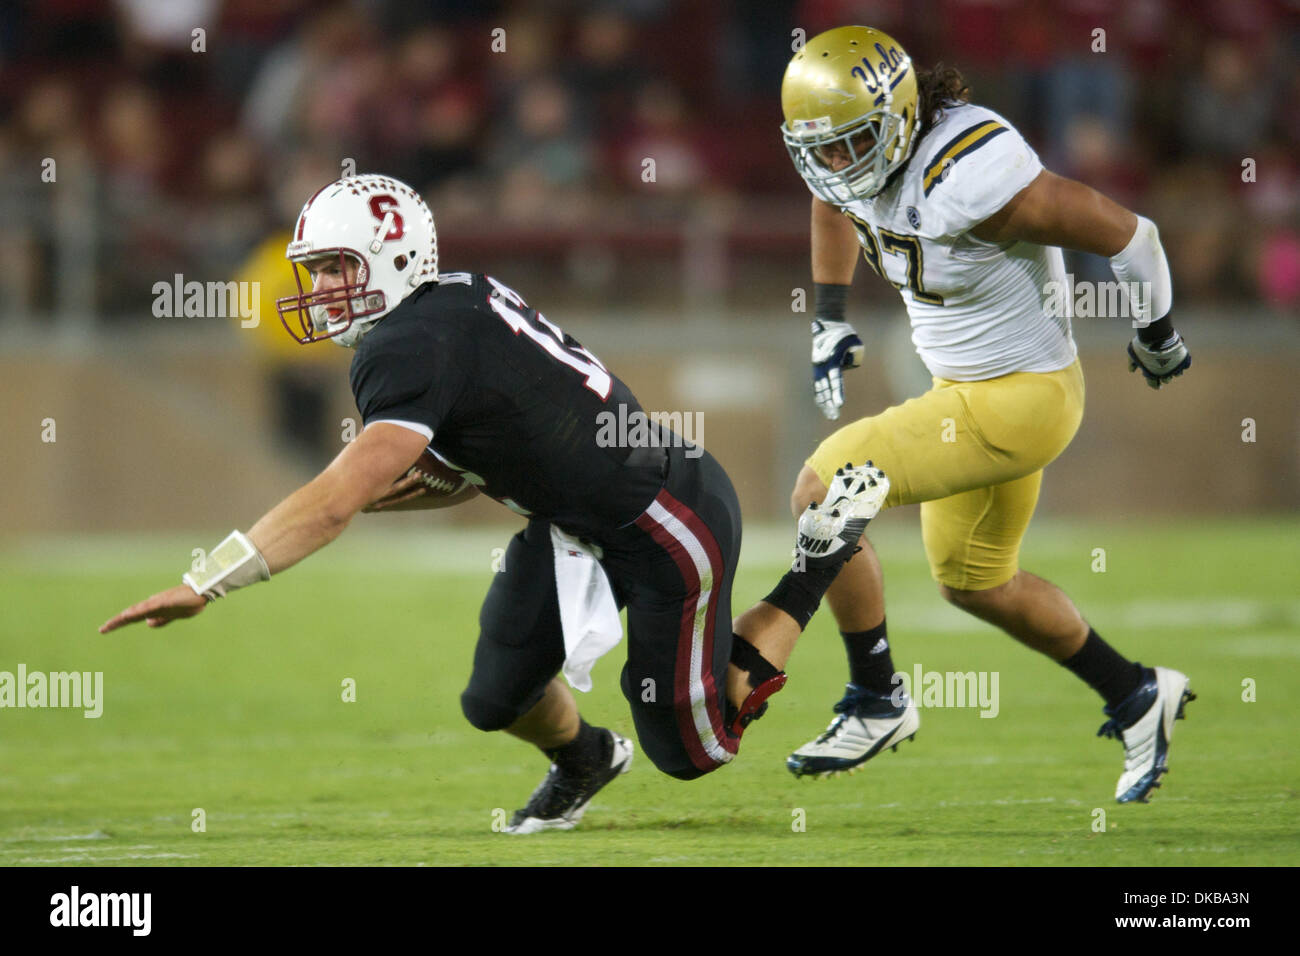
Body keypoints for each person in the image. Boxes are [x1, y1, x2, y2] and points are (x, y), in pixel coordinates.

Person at [99, 173, 889, 833]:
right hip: (577, 521)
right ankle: (585, 758)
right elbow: (501, 433)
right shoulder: (444, 305)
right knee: (495, 697)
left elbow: (334, 501)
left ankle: (815, 563)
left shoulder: (408, 343)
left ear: (394, 257)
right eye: (317, 270)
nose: (322, 288)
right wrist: (441, 478)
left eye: (339, 267)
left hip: (659, 518)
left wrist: (209, 582)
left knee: (695, 751)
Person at [778, 27, 1195, 803]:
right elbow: (834, 198)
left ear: (899, 119)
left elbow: (1133, 235)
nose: (839, 163)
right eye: (824, 148)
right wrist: (829, 314)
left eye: (853, 143)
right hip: (960, 395)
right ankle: (1137, 692)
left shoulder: (969, 178)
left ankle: (877, 699)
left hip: (1022, 399)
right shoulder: (850, 161)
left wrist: (1158, 334)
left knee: (822, 489)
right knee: (972, 582)